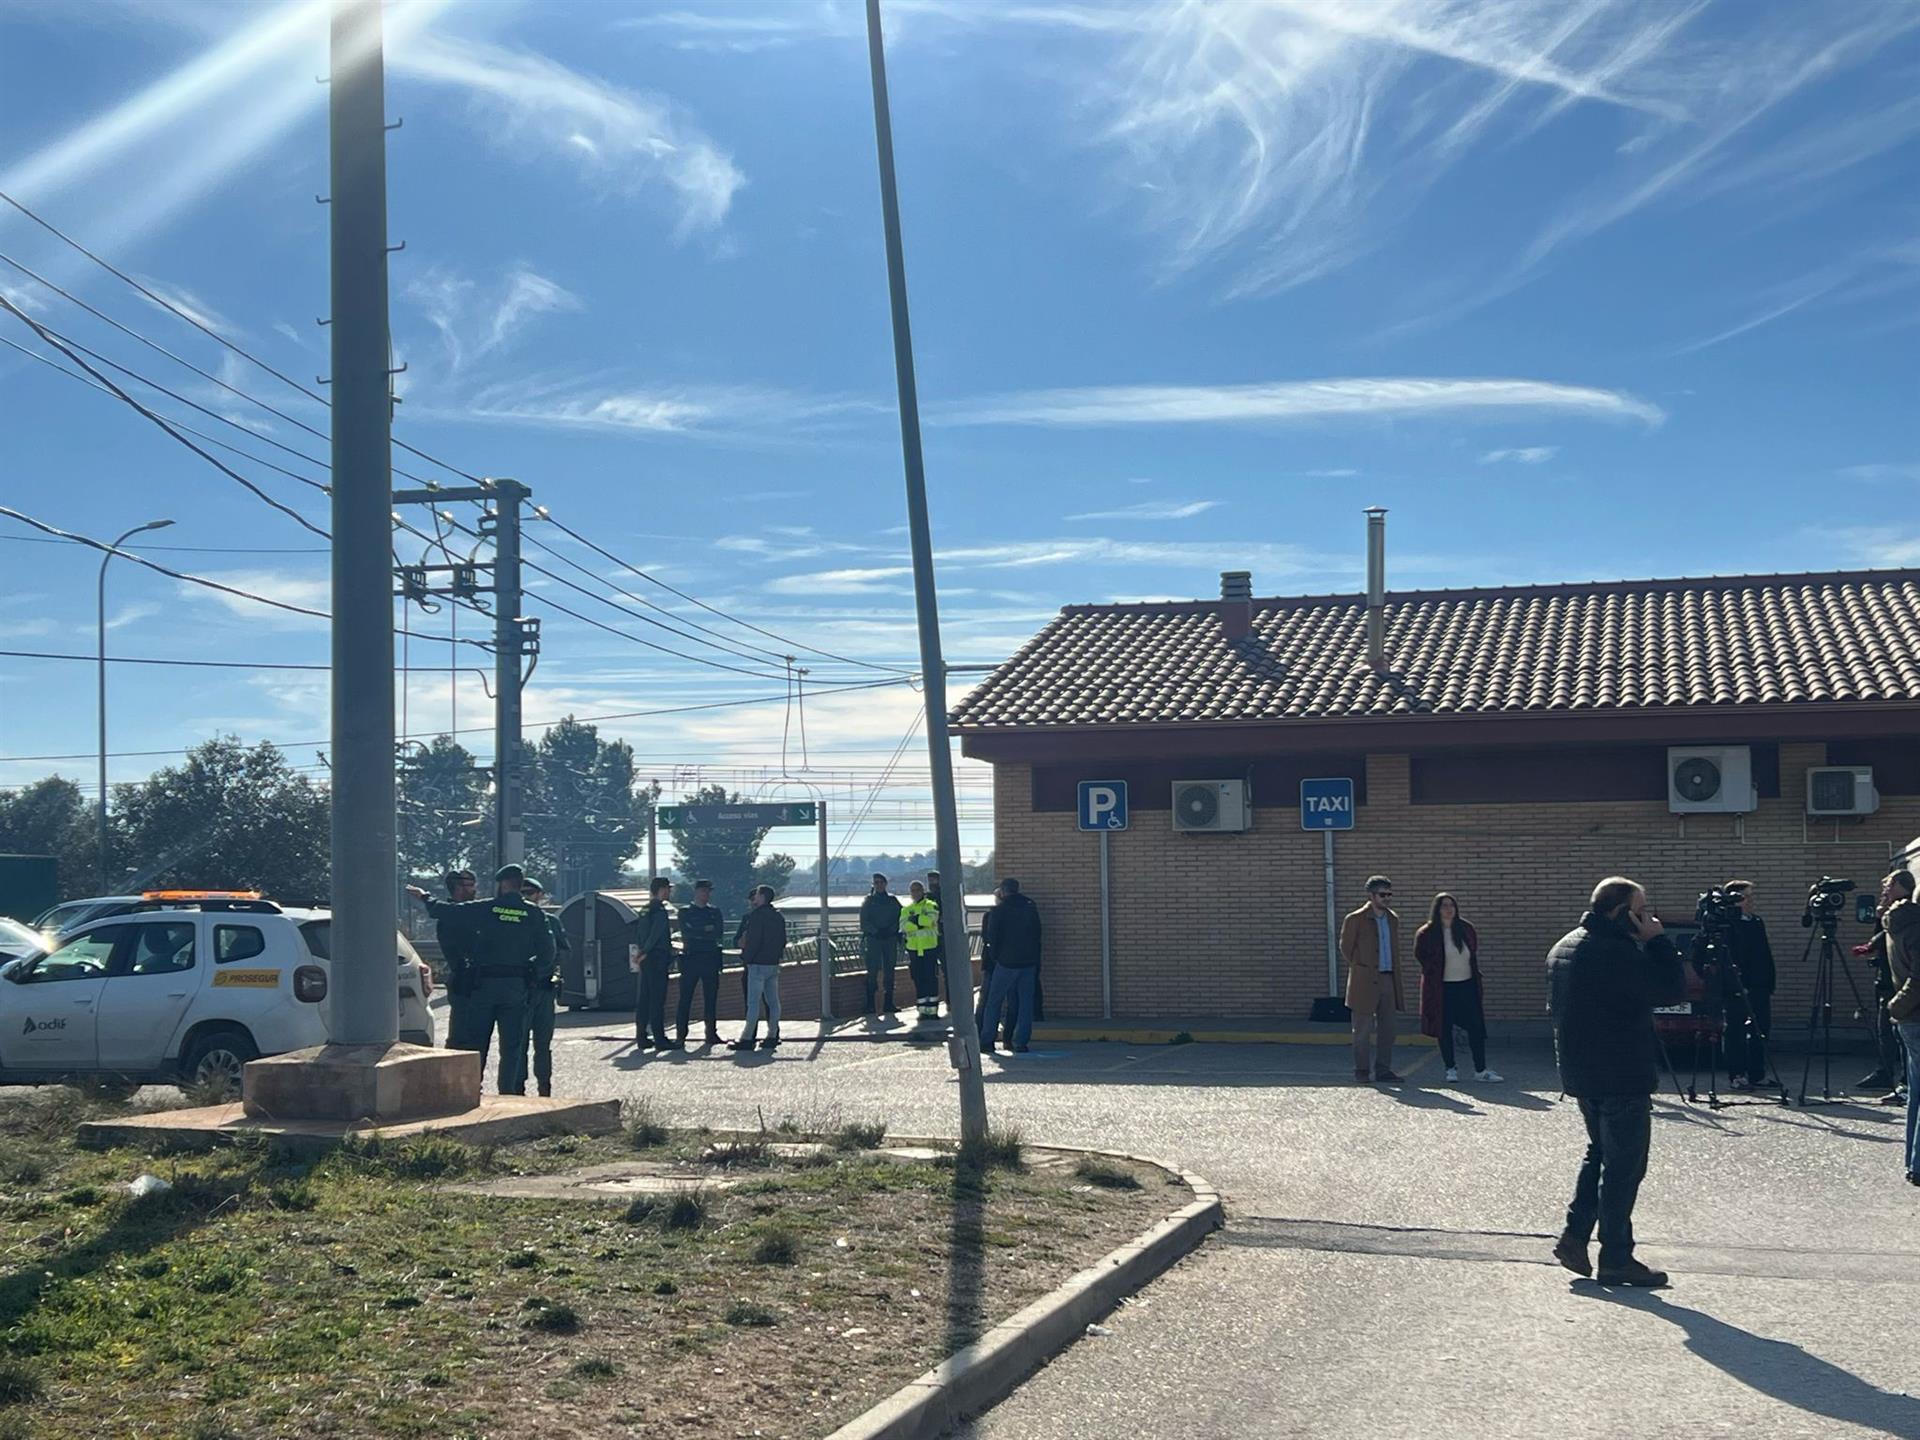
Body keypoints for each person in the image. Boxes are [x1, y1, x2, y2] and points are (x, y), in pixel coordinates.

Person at [1546, 875, 1686, 1287]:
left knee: (1601, 1155)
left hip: (1582, 1072)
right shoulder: (1616, 952)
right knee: (1625, 1168)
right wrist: (1658, 941)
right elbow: (1670, 988)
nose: (1648, 917)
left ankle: (1574, 1237)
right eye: (1641, 911)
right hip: (1620, 1072)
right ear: (1621, 913)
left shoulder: (1565, 946)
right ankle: (1616, 1257)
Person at [413, 864, 554, 1095]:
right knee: (512, 1048)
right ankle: (508, 1095)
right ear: (519, 884)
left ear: (503, 884)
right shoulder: (534, 913)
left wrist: (425, 896)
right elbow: (548, 953)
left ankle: (471, 1093)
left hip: (484, 986)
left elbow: (447, 912)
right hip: (516, 987)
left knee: (476, 1043)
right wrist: (531, 973)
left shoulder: (489, 908)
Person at [1413, 893, 1501, 1084]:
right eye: (1444, 905)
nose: (1449, 909)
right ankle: (1450, 1069)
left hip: (1467, 985)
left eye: (1452, 905)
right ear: (1437, 909)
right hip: (1441, 988)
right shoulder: (1427, 933)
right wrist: (1434, 970)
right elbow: (1421, 956)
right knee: (1444, 1029)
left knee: (1476, 1028)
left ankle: (1480, 1070)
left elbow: (1473, 952)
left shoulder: (1466, 929)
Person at [1877, 869, 1920, 1185]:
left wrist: (1896, 1008)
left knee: (1916, 1094)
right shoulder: (1914, 926)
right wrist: (1898, 1006)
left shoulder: (1892, 924)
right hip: (1913, 1014)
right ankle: (1917, 1165)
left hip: (1907, 1018)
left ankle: (1913, 1161)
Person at [1340, 876, 1404, 1084]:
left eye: (1389, 894)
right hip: (1365, 979)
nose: (1387, 899)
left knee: (1388, 1029)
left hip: (1388, 978)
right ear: (1371, 896)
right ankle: (1362, 1070)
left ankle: (1383, 1069)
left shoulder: (1392, 919)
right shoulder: (1355, 919)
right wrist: (1362, 967)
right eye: (1382, 894)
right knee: (1362, 1029)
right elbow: (1346, 948)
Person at [406, 869, 477, 1052]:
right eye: (470, 885)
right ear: (458, 888)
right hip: (464, 980)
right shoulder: (453, 915)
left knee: (477, 1036)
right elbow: (450, 914)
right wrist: (426, 898)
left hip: (479, 981)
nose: (474, 889)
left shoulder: (466, 911)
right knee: (461, 1037)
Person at [1717, 880, 1776, 1091]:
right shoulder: (1728, 925)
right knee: (1736, 1031)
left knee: (1761, 1029)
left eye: (1752, 896)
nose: (1750, 901)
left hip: (1759, 985)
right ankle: (1737, 1074)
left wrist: (1769, 980)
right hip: (1737, 986)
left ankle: (1757, 1074)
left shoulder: (1756, 921)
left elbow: (1764, 953)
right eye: (1746, 897)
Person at [979, 879, 1041, 1054]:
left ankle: (987, 1040)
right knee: (1025, 1003)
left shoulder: (999, 911)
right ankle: (1021, 1042)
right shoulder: (1030, 907)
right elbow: (1037, 933)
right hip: (1028, 962)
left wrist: (996, 957)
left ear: (1004, 891)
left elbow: (992, 937)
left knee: (994, 1001)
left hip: (1006, 962)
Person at [519, 879, 568, 1098]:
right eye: (523, 892)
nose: (527, 896)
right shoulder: (513, 921)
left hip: (544, 989)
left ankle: (544, 1089)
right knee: (516, 1045)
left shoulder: (550, 921)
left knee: (542, 1044)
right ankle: (515, 1091)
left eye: (531, 892)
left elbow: (565, 951)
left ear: (539, 895)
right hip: (519, 990)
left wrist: (552, 968)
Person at [731, 885, 786, 1052]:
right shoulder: (778, 917)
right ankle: (772, 1035)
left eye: (757, 894)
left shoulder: (756, 916)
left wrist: (746, 959)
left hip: (757, 964)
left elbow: (754, 941)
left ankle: (747, 1038)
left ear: (762, 897)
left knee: (753, 1003)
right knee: (773, 1001)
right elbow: (783, 940)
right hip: (773, 963)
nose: (754, 896)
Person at [629, 877, 679, 1053]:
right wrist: (646, 951)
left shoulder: (645, 909)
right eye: (668, 889)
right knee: (658, 999)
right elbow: (656, 934)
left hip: (646, 958)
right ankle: (660, 1037)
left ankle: (641, 1036)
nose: (669, 892)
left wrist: (641, 953)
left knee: (644, 998)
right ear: (662, 890)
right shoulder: (659, 910)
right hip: (656, 957)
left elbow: (640, 933)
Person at [676, 879, 726, 1047]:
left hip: (710, 958)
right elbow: (687, 932)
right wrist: (705, 930)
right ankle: (681, 1035)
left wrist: (700, 930)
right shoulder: (685, 912)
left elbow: (718, 932)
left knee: (711, 998)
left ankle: (711, 1033)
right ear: (696, 892)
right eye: (704, 891)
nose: (707, 894)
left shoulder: (715, 911)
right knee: (685, 998)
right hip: (691, 958)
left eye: (709, 891)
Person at [859, 873, 903, 1015]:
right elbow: (864, 921)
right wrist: (875, 931)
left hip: (889, 940)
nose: (878, 885)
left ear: (885, 884)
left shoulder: (892, 901)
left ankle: (888, 1003)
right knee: (872, 971)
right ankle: (870, 1004)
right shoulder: (869, 901)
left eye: (881, 882)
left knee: (890, 970)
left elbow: (901, 918)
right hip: (874, 940)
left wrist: (890, 930)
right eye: (876, 883)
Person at [902, 880, 942, 1021]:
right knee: (918, 979)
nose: (915, 893)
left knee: (931, 979)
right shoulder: (906, 909)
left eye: (918, 890)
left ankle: (933, 1010)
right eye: (913, 890)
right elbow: (904, 926)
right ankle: (922, 1011)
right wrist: (920, 922)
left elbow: (931, 921)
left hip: (929, 948)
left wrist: (915, 920)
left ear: (922, 891)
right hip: (914, 950)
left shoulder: (931, 905)